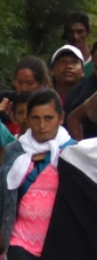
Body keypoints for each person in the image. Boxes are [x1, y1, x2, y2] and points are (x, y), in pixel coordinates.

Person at [0, 89, 76, 260]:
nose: (42, 126)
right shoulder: (14, 150)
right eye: (35, 118)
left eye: (48, 118)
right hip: (19, 240)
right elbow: (3, 194)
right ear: (27, 118)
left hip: (61, 242)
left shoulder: (74, 152)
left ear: (61, 118)